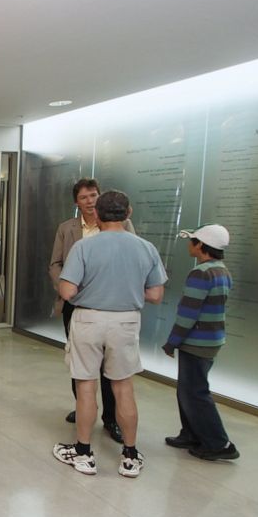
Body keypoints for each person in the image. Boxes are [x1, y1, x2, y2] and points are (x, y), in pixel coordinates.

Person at [53, 190, 167, 478]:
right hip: (126, 322)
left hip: (89, 320)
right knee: (123, 387)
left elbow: (67, 290)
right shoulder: (146, 248)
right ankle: (129, 455)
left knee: (86, 386)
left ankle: (83, 453)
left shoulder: (84, 247)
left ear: (98, 216)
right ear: (128, 213)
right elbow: (155, 293)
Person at [49, 178, 136, 442]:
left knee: (112, 368)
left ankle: (111, 418)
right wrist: (67, 288)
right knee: (80, 363)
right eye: (84, 197)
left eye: (94, 195)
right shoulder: (67, 228)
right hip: (75, 304)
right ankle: (83, 408)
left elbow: (130, 260)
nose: (90, 201)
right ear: (76, 201)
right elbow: (55, 263)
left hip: (112, 305)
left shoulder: (123, 226)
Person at [162, 224, 240, 461]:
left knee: (195, 392)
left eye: (192, 241)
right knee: (188, 390)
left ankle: (219, 443)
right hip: (211, 340)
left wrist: (172, 342)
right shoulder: (222, 271)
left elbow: (188, 314)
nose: (189, 244)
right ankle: (191, 434)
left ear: (201, 246)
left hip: (196, 342)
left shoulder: (201, 273)